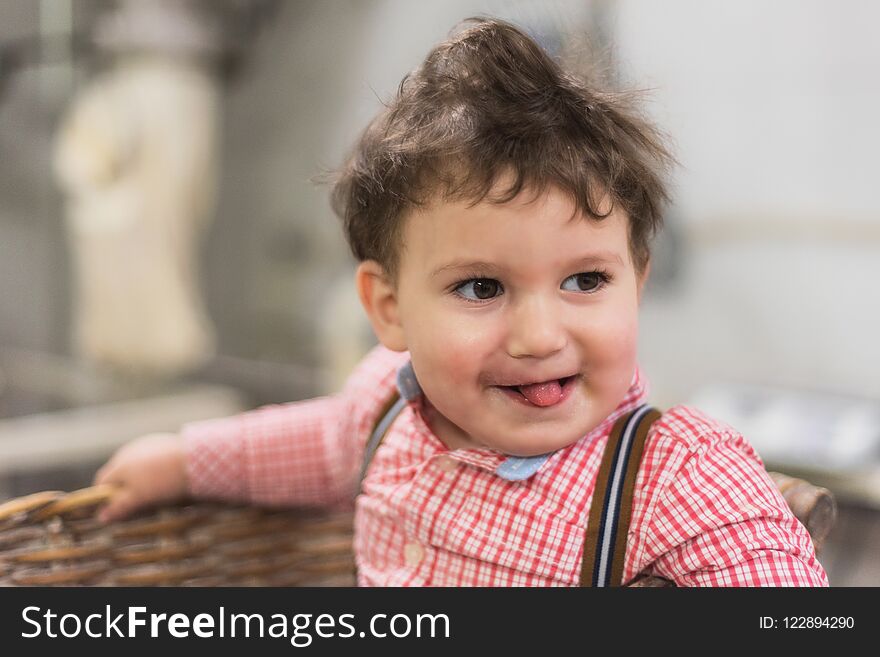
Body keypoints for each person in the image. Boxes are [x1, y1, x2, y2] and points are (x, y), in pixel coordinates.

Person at [94, 17, 828, 586]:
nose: (541, 335)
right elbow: (315, 444)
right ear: (388, 308)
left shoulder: (676, 476)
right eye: (482, 287)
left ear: (637, 278)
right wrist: (184, 461)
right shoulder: (386, 404)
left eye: (586, 280)